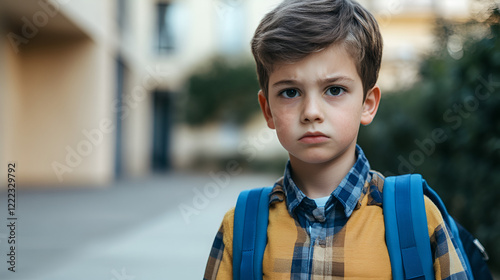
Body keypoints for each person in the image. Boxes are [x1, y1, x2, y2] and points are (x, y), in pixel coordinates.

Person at [204, 0, 469, 278]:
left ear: (368, 103)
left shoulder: (418, 219)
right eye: (290, 92)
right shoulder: (240, 228)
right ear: (268, 110)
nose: (311, 112)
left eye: (334, 90)